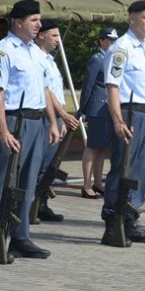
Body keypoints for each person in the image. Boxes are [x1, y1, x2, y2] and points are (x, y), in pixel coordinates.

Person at [0, 0, 60, 261]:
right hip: (14, 121)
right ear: (18, 22)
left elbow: (45, 89)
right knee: (5, 182)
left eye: (39, 20)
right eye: (34, 20)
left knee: (28, 183)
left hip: (36, 122)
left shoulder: (35, 52)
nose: (39, 24)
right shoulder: (5, 50)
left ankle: (20, 236)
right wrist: (4, 131)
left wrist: (53, 122)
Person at [101, 0, 145, 246]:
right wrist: (117, 120)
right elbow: (112, 87)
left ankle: (130, 217)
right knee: (122, 168)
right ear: (132, 19)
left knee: (140, 170)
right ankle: (112, 222)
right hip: (130, 113)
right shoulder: (121, 48)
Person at [34, 19, 81, 222]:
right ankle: (31, 206)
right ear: (40, 35)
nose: (57, 40)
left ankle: (40, 203)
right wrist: (61, 115)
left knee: (49, 166)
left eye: (58, 35)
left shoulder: (50, 60)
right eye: (53, 35)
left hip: (55, 117)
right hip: (45, 117)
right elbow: (47, 92)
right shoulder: (36, 58)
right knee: (40, 165)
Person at [79, 27, 118, 199]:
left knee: (102, 148)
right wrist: (83, 109)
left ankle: (97, 182)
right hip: (96, 107)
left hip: (107, 108)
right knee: (92, 147)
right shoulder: (97, 59)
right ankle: (86, 184)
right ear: (101, 41)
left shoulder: (112, 59)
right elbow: (88, 86)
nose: (112, 43)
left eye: (115, 40)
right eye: (109, 40)